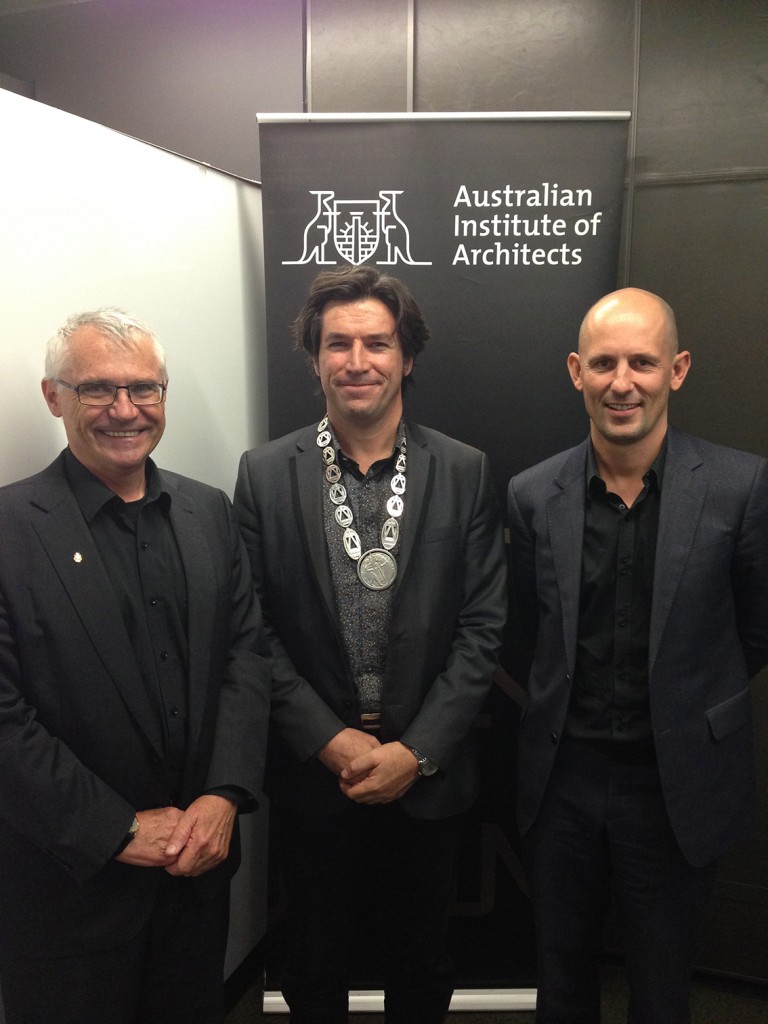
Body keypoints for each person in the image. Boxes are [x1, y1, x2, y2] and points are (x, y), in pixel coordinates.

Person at [234, 264, 506, 1024]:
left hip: (427, 775)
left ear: (407, 357)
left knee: (421, 962)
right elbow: (250, 626)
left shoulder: (463, 470)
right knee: (313, 963)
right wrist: (330, 742)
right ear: (315, 358)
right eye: (339, 343)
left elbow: (484, 627)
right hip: (317, 776)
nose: (358, 361)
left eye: (377, 344)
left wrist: (413, 752)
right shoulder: (263, 475)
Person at [0, 309, 272, 1024]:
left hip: (196, 877)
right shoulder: (8, 532)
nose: (126, 410)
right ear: (53, 396)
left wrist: (224, 795)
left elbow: (246, 656)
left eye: (144, 389)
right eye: (98, 390)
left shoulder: (209, 511)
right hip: (71, 893)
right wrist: (117, 829)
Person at [505, 287, 768, 1023]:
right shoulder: (530, 495)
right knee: (561, 982)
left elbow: (756, 629)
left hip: (675, 782)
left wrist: (688, 698)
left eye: (643, 363)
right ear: (575, 372)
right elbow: (526, 633)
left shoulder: (741, 487)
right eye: (605, 363)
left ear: (677, 370)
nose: (623, 382)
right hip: (562, 784)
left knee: (661, 989)